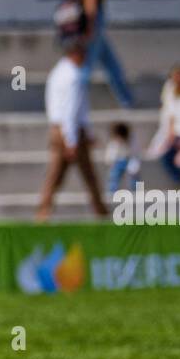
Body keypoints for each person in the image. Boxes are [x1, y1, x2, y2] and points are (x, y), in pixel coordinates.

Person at [36, 36, 108, 221]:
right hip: (69, 131)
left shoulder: (59, 72)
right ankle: (44, 214)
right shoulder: (72, 76)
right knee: (68, 176)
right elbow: (70, 110)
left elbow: (78, 108)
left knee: (60, 176)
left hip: (61, 130)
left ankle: (43, 214)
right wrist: (72, 140)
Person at [79, 0, 134, 109]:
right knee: (87, 66)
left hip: (96, 21)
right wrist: (90, 24)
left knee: (112, 64)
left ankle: (127, 100)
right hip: (95, 21)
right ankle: (77, 97)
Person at [104, 122, 140, 196]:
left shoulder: (131, 140)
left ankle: (135, 191)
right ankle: (112, 192)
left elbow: (135, 153)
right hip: (118, 162)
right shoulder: (114, 142)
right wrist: (111, 161)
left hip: (130, 160)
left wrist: (134, 165)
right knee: (114, 174)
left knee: (133, 175)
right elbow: (110, 155)